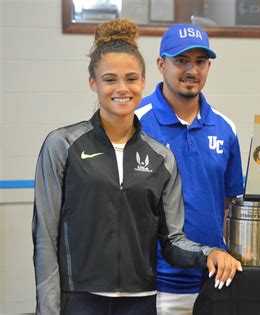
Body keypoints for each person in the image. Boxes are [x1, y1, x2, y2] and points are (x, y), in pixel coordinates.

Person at [32, 18, 242, 315]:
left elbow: (173, 240)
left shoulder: (161, 156)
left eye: (131, 78)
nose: (122, 88)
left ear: (142, 81)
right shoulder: (63, 145)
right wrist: (48, 308)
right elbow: (45, 238)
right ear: (93, 82)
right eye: (109, 79)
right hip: (82, 299)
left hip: (145, 298)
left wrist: (211, 252)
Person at [135, 23, 244, 314]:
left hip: (214, 281)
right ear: (161, 64)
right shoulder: (135, 123)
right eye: (181, 61)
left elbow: (230, 205)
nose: (191, 70)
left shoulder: (225, 128)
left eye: (200, 62)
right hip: (153, 285)